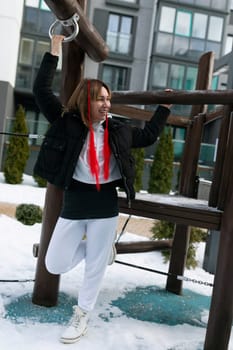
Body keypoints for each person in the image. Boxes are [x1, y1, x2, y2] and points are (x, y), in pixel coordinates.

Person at [33, 35, 172, 344]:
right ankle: (99, 250)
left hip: (105, 204)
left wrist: (163, 107)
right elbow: (41, 90)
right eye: (101, 99)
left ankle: (82, 315)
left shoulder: (119, 131)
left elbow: (148, 136)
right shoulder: (66, 122)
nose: (107, 104)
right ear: (86, 100)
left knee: (95, 268)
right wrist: (55, 48)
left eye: (109, 99)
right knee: (53, 262)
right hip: (75, 202)